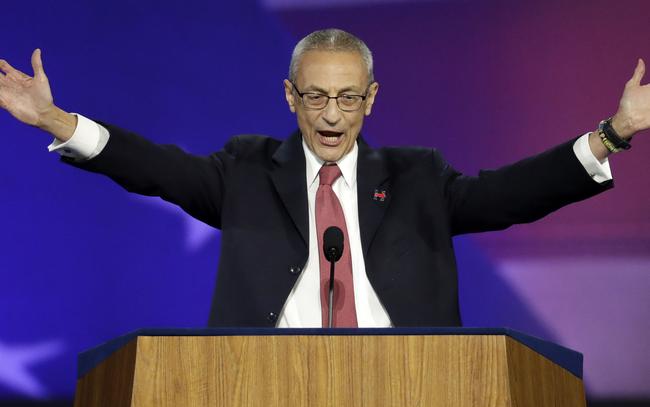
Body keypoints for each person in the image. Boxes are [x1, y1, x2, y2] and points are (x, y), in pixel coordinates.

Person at [1, 29, 648, 328]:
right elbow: (154, 169)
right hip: (261, 394)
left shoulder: (419, 178)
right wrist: (57, 118)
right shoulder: (246, 171)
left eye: (346, 98)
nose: (331, 116)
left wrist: (611, 133)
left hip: (413, 397)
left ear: (370, 99)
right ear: (290, 98)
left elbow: (508, 195)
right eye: (315, 98)